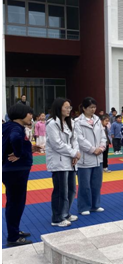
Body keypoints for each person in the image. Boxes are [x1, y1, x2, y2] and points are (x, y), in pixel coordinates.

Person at [2, 103, 42, 246]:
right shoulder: (16, 128)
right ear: (21, 114)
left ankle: (15, 230)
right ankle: (13, 237)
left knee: (14, 202)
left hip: (12, 170)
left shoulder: (8, 126)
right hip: (16, 171)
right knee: (16, 203)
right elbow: (15, 139)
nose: (31, 116)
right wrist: (19, 153)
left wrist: (29, 148)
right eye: (29, 113)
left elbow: (12, 143)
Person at [45, 98, 80, 228]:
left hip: (70, 160)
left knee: (71, 190)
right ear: (58, 108)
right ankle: (57, 217)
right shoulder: (52, 123)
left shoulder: (70, 122)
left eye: (70, 107)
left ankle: (65, 213)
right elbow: (57, 144)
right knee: (61, 191)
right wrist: (73, 153)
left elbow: (74, 140)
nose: (68, 110)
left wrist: (76, 153)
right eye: (66, 107)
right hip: (59, 162)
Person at [74, 97, 107, 215]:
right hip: (85, 158)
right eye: (90, 107)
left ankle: (95, 205)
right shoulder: (77, 122)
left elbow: (103, 136)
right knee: (85, 185)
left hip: (98, 157)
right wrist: (93, 149)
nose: (93, 110)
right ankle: (84, 207)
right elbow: (79, 139)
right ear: (84, 108)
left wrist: (101, 147)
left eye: (94, 107)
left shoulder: (97, 120)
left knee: (96, 184)